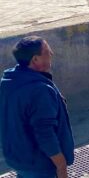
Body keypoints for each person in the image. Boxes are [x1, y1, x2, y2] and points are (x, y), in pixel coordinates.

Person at [0, 36, 74, 178]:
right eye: (47, 51)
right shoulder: (39, 90)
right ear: (35, 60)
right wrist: (61, 165)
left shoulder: (9, 82)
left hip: (18, 159)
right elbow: (44, 133)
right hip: (39, 165)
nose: (51, 53)